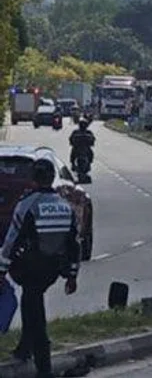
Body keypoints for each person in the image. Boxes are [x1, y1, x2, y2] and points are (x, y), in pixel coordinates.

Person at [0, 158, 80, 378]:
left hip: (29, 268)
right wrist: (72, 276)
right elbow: (74, 244)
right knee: (31, 302)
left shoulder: (27, 205)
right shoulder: (66, 207)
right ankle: (23, 350)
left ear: (33, 179)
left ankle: (44, 368)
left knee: (34, 314)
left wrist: (1, 271)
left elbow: (11, 242)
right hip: (53, 269)